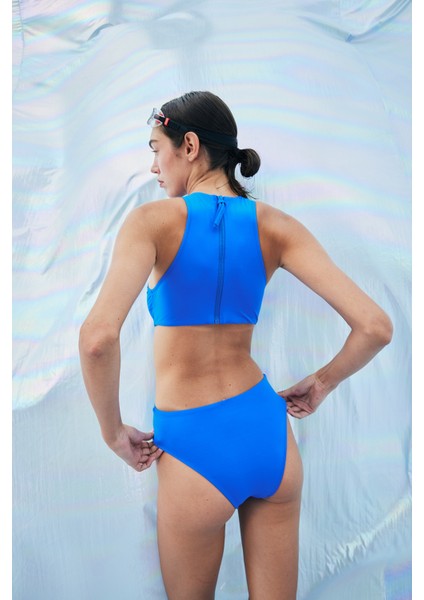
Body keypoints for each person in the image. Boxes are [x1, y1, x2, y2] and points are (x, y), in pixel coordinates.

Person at [79, 91, 393, 600]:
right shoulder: (279, 227)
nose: (153, 166)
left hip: (193, 444)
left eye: (156, 149)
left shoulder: (153, 223)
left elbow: (97, 339)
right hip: (268, 434)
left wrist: (113, 431)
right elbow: (375, 326)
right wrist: (322, 382)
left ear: (189, 146)